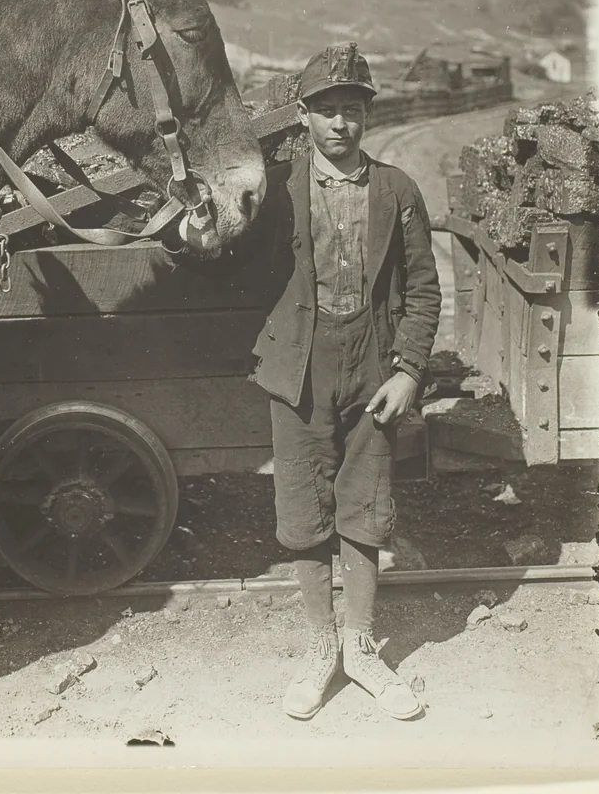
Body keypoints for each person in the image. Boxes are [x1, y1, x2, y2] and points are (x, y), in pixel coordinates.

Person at [178, 42, 441, 721]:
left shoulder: (396, 192)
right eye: (326, 112)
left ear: (366, 118)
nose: (339, 126)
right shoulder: (277, 191)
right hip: (297, 369)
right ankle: (320, 650)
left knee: (365, 507)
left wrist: (408, 370)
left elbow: (423, 289)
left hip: (372, 369)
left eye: (351, 112)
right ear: (303, 117)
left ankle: (361, 649)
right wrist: (195, 232)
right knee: (302, 515)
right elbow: (225, 263)